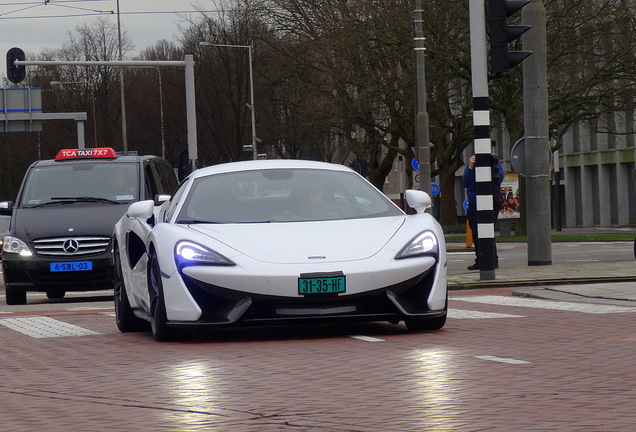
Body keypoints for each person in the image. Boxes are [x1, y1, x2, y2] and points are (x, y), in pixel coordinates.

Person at [462, 154, 504, 270]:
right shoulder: (471, 166)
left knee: (487, 232)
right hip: (474, 204)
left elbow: (498, 179)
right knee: (476, 233)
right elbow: (466, 182)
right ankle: (480, 259)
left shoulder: (494, 163)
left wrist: (490, 167)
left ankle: (491, 260)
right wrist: (471, 166)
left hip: (490, 203)